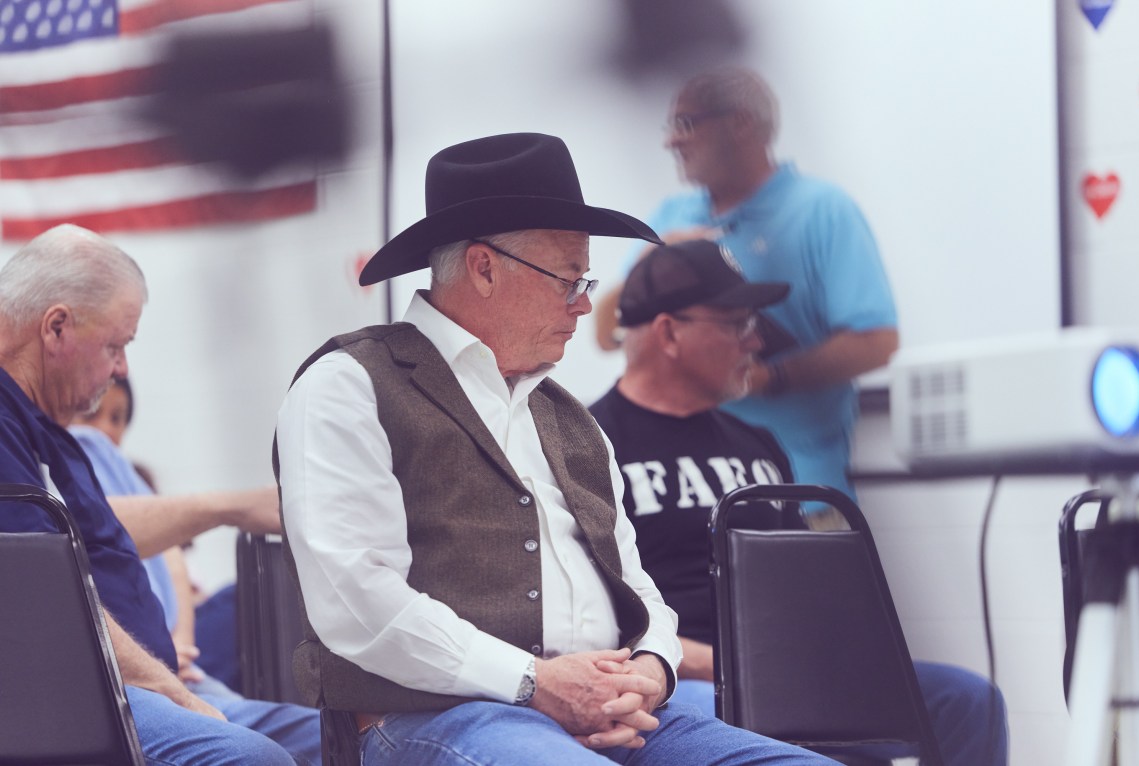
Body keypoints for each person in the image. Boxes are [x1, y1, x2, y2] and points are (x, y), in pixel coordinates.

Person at [275, 131, 836, 765]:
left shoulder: (570, 419)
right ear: (485, 268)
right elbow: (360, 602)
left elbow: (636, 584)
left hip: (610, 710)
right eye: (569, 279)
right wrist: (535, 682)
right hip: (434, 717)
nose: (586, 304)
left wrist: (652, 668)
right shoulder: (350, 384)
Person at [588, 239, 1010, 766]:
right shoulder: (590, 444)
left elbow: (806, 597)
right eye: (736, 324)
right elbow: (598, 619)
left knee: (970, 702)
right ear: (670, 331)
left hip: (792, 673)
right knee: (738, 724)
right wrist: (731, 665)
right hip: (681, 678)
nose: (757, 341)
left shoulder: (757, 446)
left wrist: (826, 651)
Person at [0, 223, 321, 766]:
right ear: (56, 328)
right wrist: (176, 693)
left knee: (351, 740)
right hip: (73, 697)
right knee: (254, 759)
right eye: (116, 345)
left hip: (135, 684)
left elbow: (100, 536)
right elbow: (42, 604)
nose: (122, 367)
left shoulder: (47, 429)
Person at [594, 66, 899, 503]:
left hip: (800, 487)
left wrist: (767, 377)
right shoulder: (672, 216)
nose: (670, 141)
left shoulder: (822, 210)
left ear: (739, 123)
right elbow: (608, 333)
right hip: (689, 492)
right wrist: (654, 256)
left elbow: (878, 342)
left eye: (686, 124)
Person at [71, 375, 251, 695]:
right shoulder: (68, 483)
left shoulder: (136, 478)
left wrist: (180, 642)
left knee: (243, 597)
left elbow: (174, 560)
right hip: (146, 644)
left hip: (181, 632)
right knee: (239, 603)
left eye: (117, 418)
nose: (104, 430)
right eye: (91, 415)